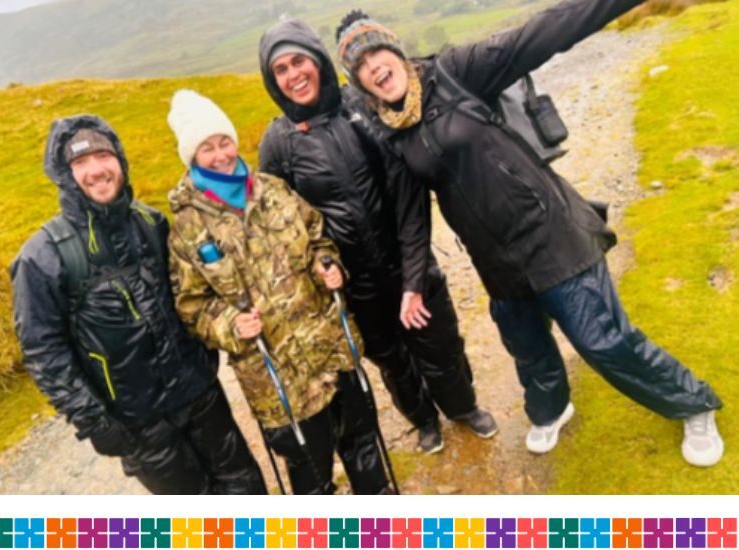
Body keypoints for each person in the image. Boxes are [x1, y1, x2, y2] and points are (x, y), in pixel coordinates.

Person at [336, 0, 724, 466]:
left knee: (603, 340)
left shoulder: (457, 72)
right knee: (526, 345)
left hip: (548, 231)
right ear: (359, 82)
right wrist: (413, 285)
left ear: (394, 51)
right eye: (359, 66)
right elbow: (411, 216)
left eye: (375, 52)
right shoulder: (392, 132)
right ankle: (552, 409)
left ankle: (693, 403)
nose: (373, 66)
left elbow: (543, 32)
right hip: (494, 259)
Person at [257, 18, 498, 455]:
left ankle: (463, 407)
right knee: (393, 362)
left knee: (441, 344)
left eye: (299, 61)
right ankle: (424, 421)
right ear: (272, 81)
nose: (294, 76)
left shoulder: (361, 106)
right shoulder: (278, 144)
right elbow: (281, 225)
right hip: (355, 285)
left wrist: (414, 278)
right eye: (281, 70)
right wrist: (318, 264)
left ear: (317, 60)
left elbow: (407, 194)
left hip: (410, 261)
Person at [10, 114, 267, 494]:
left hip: (200, 396)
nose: (96, 171)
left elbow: (192, 296)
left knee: (246, 489)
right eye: (81, 163)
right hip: (139, 425)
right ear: (65, 175)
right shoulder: (43, 257)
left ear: (121, 161)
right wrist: (94, 420)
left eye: (104, 157)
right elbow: (43, 351)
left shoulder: (152, 223)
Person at [166, 89, 392, 493]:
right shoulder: (186, 228)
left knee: (362, 443)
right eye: (206, 148)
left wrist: (329, 266)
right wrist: (230, 324)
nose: (220, 154)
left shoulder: (273, 189)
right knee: (310, 471)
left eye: (224, 142)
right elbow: (191, 306)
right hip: (276, 377)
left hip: (332, 346)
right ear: (191, 157)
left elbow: (318, 236)